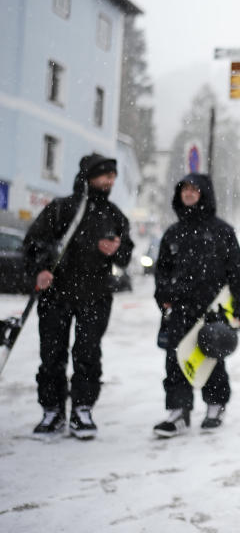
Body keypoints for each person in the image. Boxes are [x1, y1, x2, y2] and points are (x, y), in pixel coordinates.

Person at [23, 153, 134, 439]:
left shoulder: (114, 215)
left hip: (95, 295)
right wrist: (41, 270)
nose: (109, 181)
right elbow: (34, 242)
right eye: (104, 175)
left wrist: (117, 251)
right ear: (89, 176)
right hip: (56, 295)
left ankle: (83, 409)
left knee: (88, 355)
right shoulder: (61, 209)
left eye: (112, 176)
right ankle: (52, 410)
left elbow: (126, 254)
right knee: (52, 354)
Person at [151, 173, 240, 437]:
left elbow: (237, 273)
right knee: (176, 358)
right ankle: (178, 411)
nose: (189, 193)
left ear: (204, 193)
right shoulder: (172, 233)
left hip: (213, 309)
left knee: (212, 358)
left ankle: (215, 406)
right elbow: (161, 271)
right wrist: (164, 298)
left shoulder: (222, 231)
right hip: (180, 308)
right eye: (184, 189)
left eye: (194, 189)